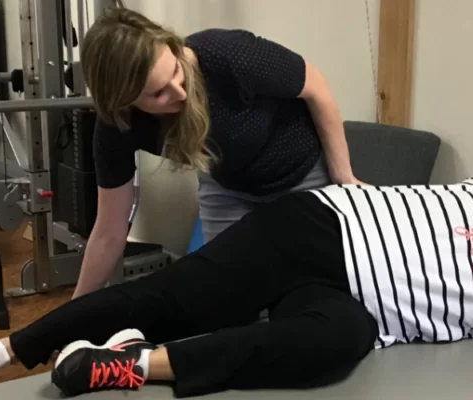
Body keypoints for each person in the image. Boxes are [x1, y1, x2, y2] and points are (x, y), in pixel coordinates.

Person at [0, 141, 473, 398]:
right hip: (320, 228)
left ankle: (128, 365)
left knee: (335, 348)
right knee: (176, 294)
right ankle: (7, 351)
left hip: (357, 306)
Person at [72, 5, 361, 298]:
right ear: (125, 102)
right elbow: (109, 231)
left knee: (312, 286)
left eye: (176, 70)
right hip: (228, 186)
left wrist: (344, 176)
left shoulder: (227, 54)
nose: (180, 92)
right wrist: (72, 313)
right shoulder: (117, 126)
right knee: (224, 294)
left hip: (299, 171)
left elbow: (316, 87)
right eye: (159, 93)